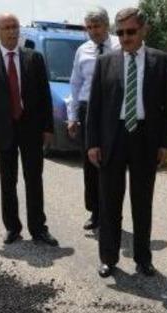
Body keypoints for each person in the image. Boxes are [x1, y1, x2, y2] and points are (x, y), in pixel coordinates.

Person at [86, 7, 167, 278]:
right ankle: (108, 258)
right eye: (121, 32)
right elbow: (95, 106)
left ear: (144, 30)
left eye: (131, 31)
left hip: (145, 139)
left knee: (142, 202)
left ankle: (143, 258)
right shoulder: (106, 62)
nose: (125, 37)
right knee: (109, 202)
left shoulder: (161, 61)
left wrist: (166, 143)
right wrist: (92, 142)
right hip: (112, 139)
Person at [0, 13, 59, 247]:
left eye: (15, 27)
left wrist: (48, 127)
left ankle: (38, 229)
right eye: (6, 28)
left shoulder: (34, 59)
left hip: (31, 130)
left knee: (34, 179)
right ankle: (12, 228)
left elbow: (45, 96)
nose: (12, 32)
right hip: (3, 131)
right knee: (8, 181)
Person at [68, 7, 120, 231]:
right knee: (91, 165)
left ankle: (111, 212)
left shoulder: (120, 45)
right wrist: (72, 117)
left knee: (111, 163)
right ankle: (95, 211)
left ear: (107, 25)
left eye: (96, 26)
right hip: (88, 110)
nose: (92, 31)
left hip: (113, 111)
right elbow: (75, 84)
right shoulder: (83, 50)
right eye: (88, 27)